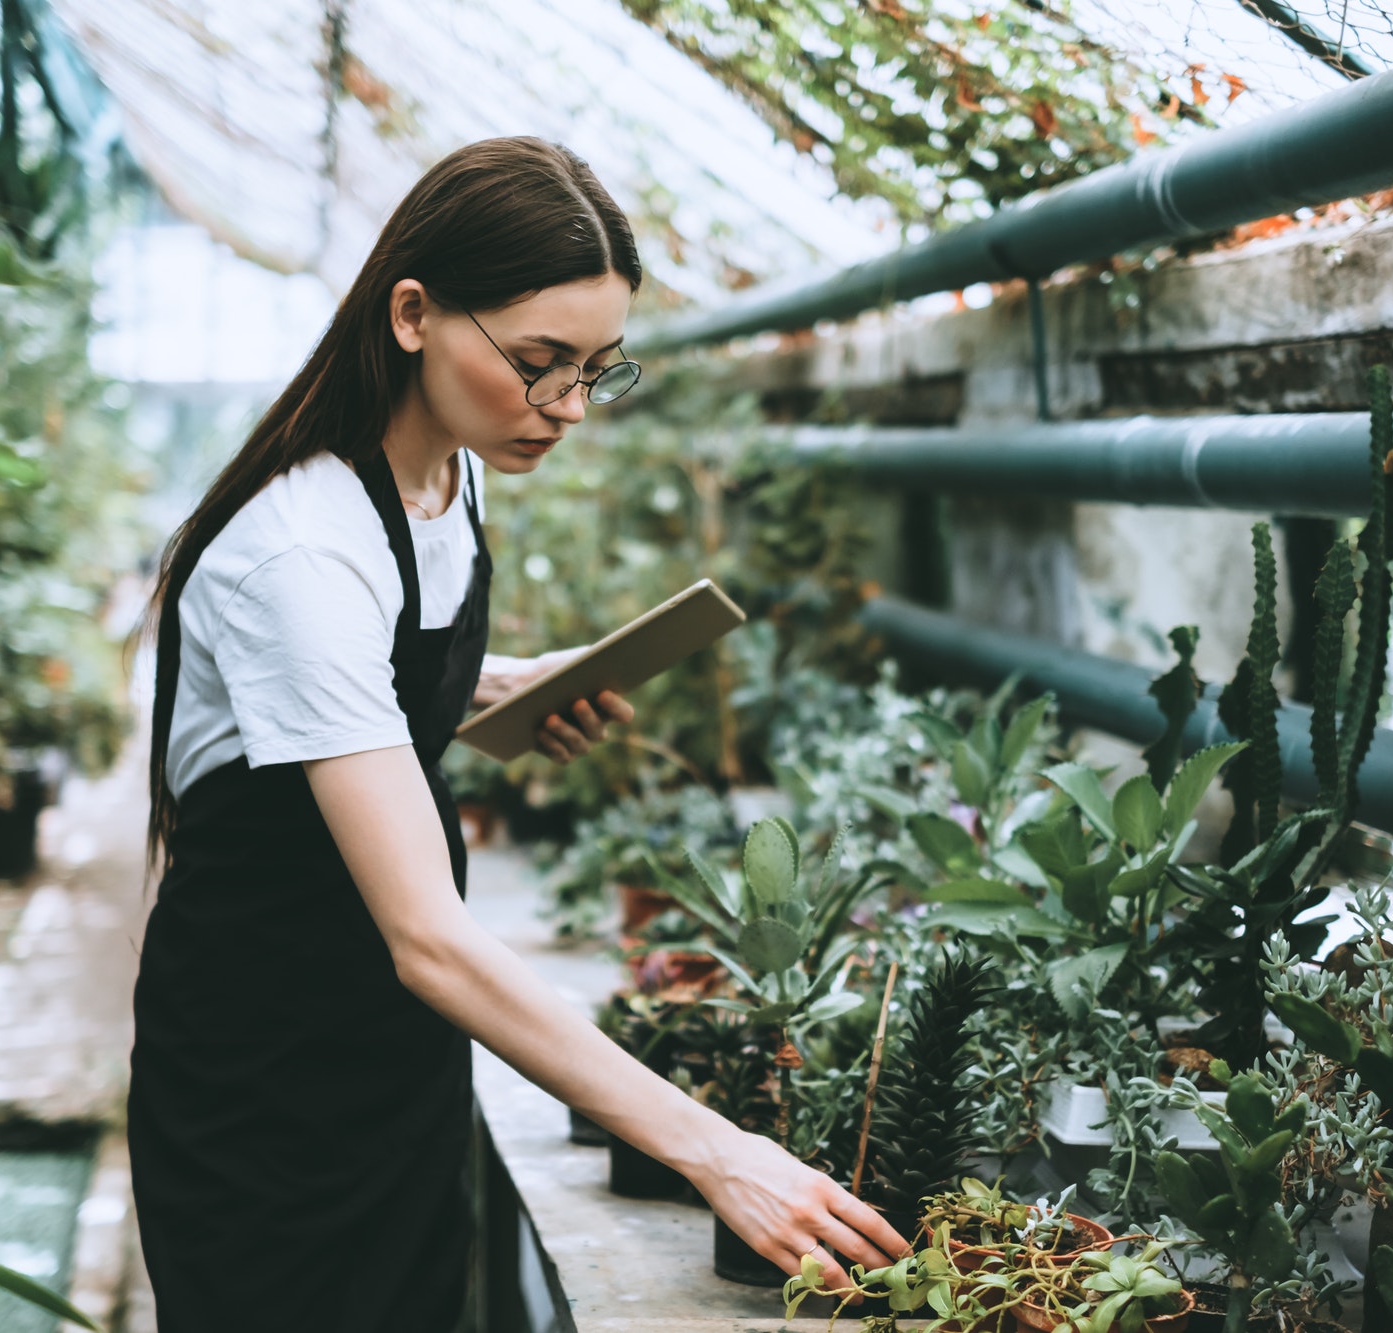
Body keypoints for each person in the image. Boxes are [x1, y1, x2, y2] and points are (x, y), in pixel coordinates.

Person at [130, 136, 908, 1331]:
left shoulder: (447, 470)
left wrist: (486, 685)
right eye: (539, 364)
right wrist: (717, 1150)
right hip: (264, 1079)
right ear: (410, 314)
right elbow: (431, 942)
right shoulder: (301, 543)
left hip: (394, 1056)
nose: (570, 410)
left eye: (599, 369)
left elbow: (351, 673)